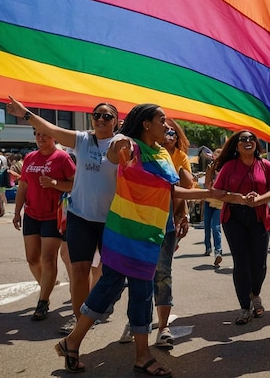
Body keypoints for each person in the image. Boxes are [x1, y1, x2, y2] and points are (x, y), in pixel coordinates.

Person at [55, 103, 211, 375]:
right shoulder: (132, 148)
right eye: (162, 120)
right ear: (146, 124)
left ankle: (73, 342)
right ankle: (141, 355)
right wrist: (120, 140)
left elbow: (171, 191)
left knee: (116, 289)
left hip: (150, 234)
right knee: (135, 292)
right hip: (125, 232)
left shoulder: (162, 153)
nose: (168, 126)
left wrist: (215, 194)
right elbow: (116, 153)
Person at [6, 96, 119, 335]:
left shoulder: (121, 144)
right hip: (80, 217)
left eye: (107, 116)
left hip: (110, 220)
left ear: (115, 122)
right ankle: (80, 324)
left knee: (107, 271)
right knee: (78, 269)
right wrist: (25, 113)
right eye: (97, 115)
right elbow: (50, 128)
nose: (100, 119)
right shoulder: (82, 140)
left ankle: (98, 305)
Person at [211, 131, 270, 325]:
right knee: (241, 263)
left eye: (251, 139)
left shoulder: (265, 165)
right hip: (234, 217)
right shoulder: (229, 167)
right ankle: (244, 307)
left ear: (256, 144)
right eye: (243, 139)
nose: (248, 142)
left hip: (259, 217)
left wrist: (258, 200)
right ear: (236, 146)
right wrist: (237, 198)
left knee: (259, 264)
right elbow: (216, 191)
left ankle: (254, 294)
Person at [13, 130, 76, 320]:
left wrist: (55, 183)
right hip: (32, 214)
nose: (40, 138)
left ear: (54, 137)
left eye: (45, 135)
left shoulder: (62, 158)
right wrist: (17, 212)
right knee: (32, 259)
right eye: (37, 134)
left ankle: (42, 302)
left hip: (53, 216)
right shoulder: (30, 157)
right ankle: (47, 285)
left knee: (48, 259)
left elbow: (75, 184)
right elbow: (23, 186)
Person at [152, 118, 194, 349]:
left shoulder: (179, 156)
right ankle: (137, 320)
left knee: (163, 272)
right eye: (164, 130)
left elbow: (186, 187)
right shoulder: (141, 150)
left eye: (172, 132)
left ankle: (162, 328)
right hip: (140, 221)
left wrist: (184, 216)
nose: (168, 135)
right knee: (141, 273)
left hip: (167, 221)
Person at [203, 148, 223, 264]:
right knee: (206, 225)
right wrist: (211, 169)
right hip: (208, 200)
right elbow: (206, 184)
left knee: (215, 227)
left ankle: (218, 251)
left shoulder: (226, 169)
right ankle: (207, 247)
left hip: (219, 202)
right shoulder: (210, 167)